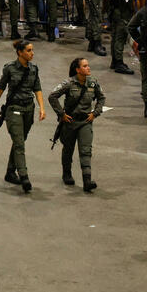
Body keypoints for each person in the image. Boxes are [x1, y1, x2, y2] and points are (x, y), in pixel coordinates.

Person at [0, 39, 46, 193]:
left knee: (20, 141)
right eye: (29, 50)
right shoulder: (10, 69)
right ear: (20, 52)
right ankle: (24, 176)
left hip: (28, 110)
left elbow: (37, 88)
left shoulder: (34, 69)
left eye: (32, 50)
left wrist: (42, 108)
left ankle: (10, 172)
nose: (32, 53)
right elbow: (0, 88)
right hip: (13, 110)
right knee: (19, 144)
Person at [48, 57, 106, 192]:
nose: (88, 68)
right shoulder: (69, 83)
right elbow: (52, 96)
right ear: (78, 69)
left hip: (85, 121)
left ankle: (87, 180)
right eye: (85, 66)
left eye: (88, 65)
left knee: (86, 150)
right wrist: (61, 114)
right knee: (68, 149)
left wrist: (95, 113)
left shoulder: (92, 83)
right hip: (70, 122)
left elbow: (102, 98)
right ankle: (66, 173)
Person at [107, 0, 135, 74]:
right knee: (120, 38)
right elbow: (128, 1)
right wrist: (132, 12)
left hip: (114, 11)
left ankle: (114, 60)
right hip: (123, 13)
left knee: (114, 37)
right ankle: (119, 63)